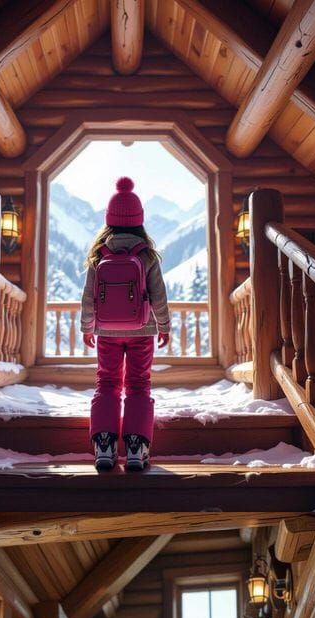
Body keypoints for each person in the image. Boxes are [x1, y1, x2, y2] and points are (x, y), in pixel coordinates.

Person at [81, 177, 171, 472]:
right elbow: (158, 295)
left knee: (107, 383)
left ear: (109, 220)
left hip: (107, 331)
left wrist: (88, 327)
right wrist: (164, 326)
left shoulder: (99, 254)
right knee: (138, 384)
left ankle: (104, 445)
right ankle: (136, 446)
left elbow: (88, 296)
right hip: (142, 331)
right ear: (139, 220)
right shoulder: (146, 255)